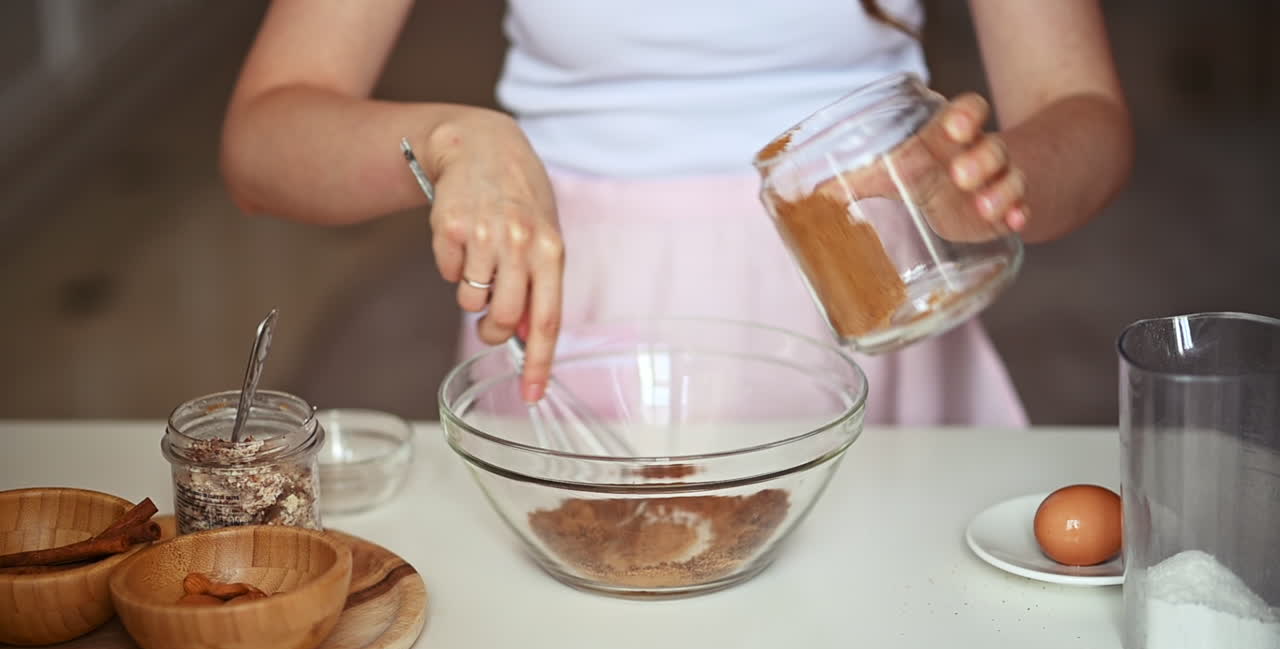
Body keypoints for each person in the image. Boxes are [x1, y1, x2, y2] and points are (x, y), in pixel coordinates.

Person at [220, 0, 1132, 426]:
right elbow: (261, 146)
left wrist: (997, 178)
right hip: (579, 324)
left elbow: (1083, 114)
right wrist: (453, 139)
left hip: (867, 301)